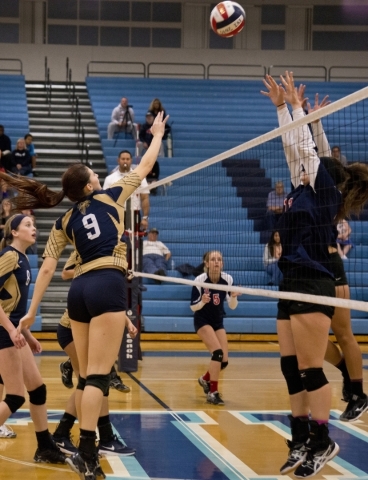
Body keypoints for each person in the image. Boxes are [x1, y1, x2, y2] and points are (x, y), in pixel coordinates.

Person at [3, 111, 167, 480]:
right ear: (91, 186)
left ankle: (74, 441)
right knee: (96, 376)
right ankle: (90, 452)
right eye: (94, 173)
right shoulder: (111, 196)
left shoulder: (64, 221)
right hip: (107, 281)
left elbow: (47, 268)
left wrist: (30, 313)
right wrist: (156, 134)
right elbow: (145, 164)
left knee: (87, 376)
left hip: (78, 292)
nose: (98, 174)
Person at [262, 71, 368, 477]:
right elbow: (296, 149)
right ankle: (301, 439)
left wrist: (294, 109)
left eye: (314, 166)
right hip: (291, 281)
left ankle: (323, 441)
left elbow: (304, 147)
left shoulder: (325, 193)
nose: (305, 165)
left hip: (312, 280)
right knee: (292, 369)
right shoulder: (302, 187)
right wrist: (283, 112)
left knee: (309, 369)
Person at [54, 251, 134, 460]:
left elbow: (108, 301)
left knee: (95, 379)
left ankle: (64, 434)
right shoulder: (88, 246)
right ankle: (100, 438)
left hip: (89, 322)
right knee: (93, 379)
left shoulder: (116, 248)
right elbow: (64, 273)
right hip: (70, 328)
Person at [0, 214, 66, 463]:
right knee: (15, 396)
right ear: (14, 232)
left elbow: (13, 306)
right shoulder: (9, 256)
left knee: (37, 390)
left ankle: (45, 447)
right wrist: (10, 330)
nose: (34, 228)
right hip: (4, 331)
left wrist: (27, 334)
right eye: (27, 225)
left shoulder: (24, 259)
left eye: (34, 225)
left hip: (14, 331)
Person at [191, 251, 240, 406]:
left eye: (219, 259)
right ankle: (213, 392)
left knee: (223, 361)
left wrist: (234, 296)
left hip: (218, 322)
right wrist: (203, 302)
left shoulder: (227, 279)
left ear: (222, 264)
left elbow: (232, 307)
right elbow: (193, 307)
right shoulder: (199, 280)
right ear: (206, 264)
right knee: (217, 353)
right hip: (202, 320)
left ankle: (204, 379)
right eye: (213, 259)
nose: (216, 262)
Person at [103, 150, 150, 232]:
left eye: (127, 159)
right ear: (118, 160)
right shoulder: (110, 179)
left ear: (131, 161)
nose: (125, 161)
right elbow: (105, 200)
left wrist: (145, 218)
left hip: (134, 213)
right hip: (116, 214)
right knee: (116, 241)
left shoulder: (139, 177)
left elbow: (145, 198)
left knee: (133, 241)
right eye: (123, 159)